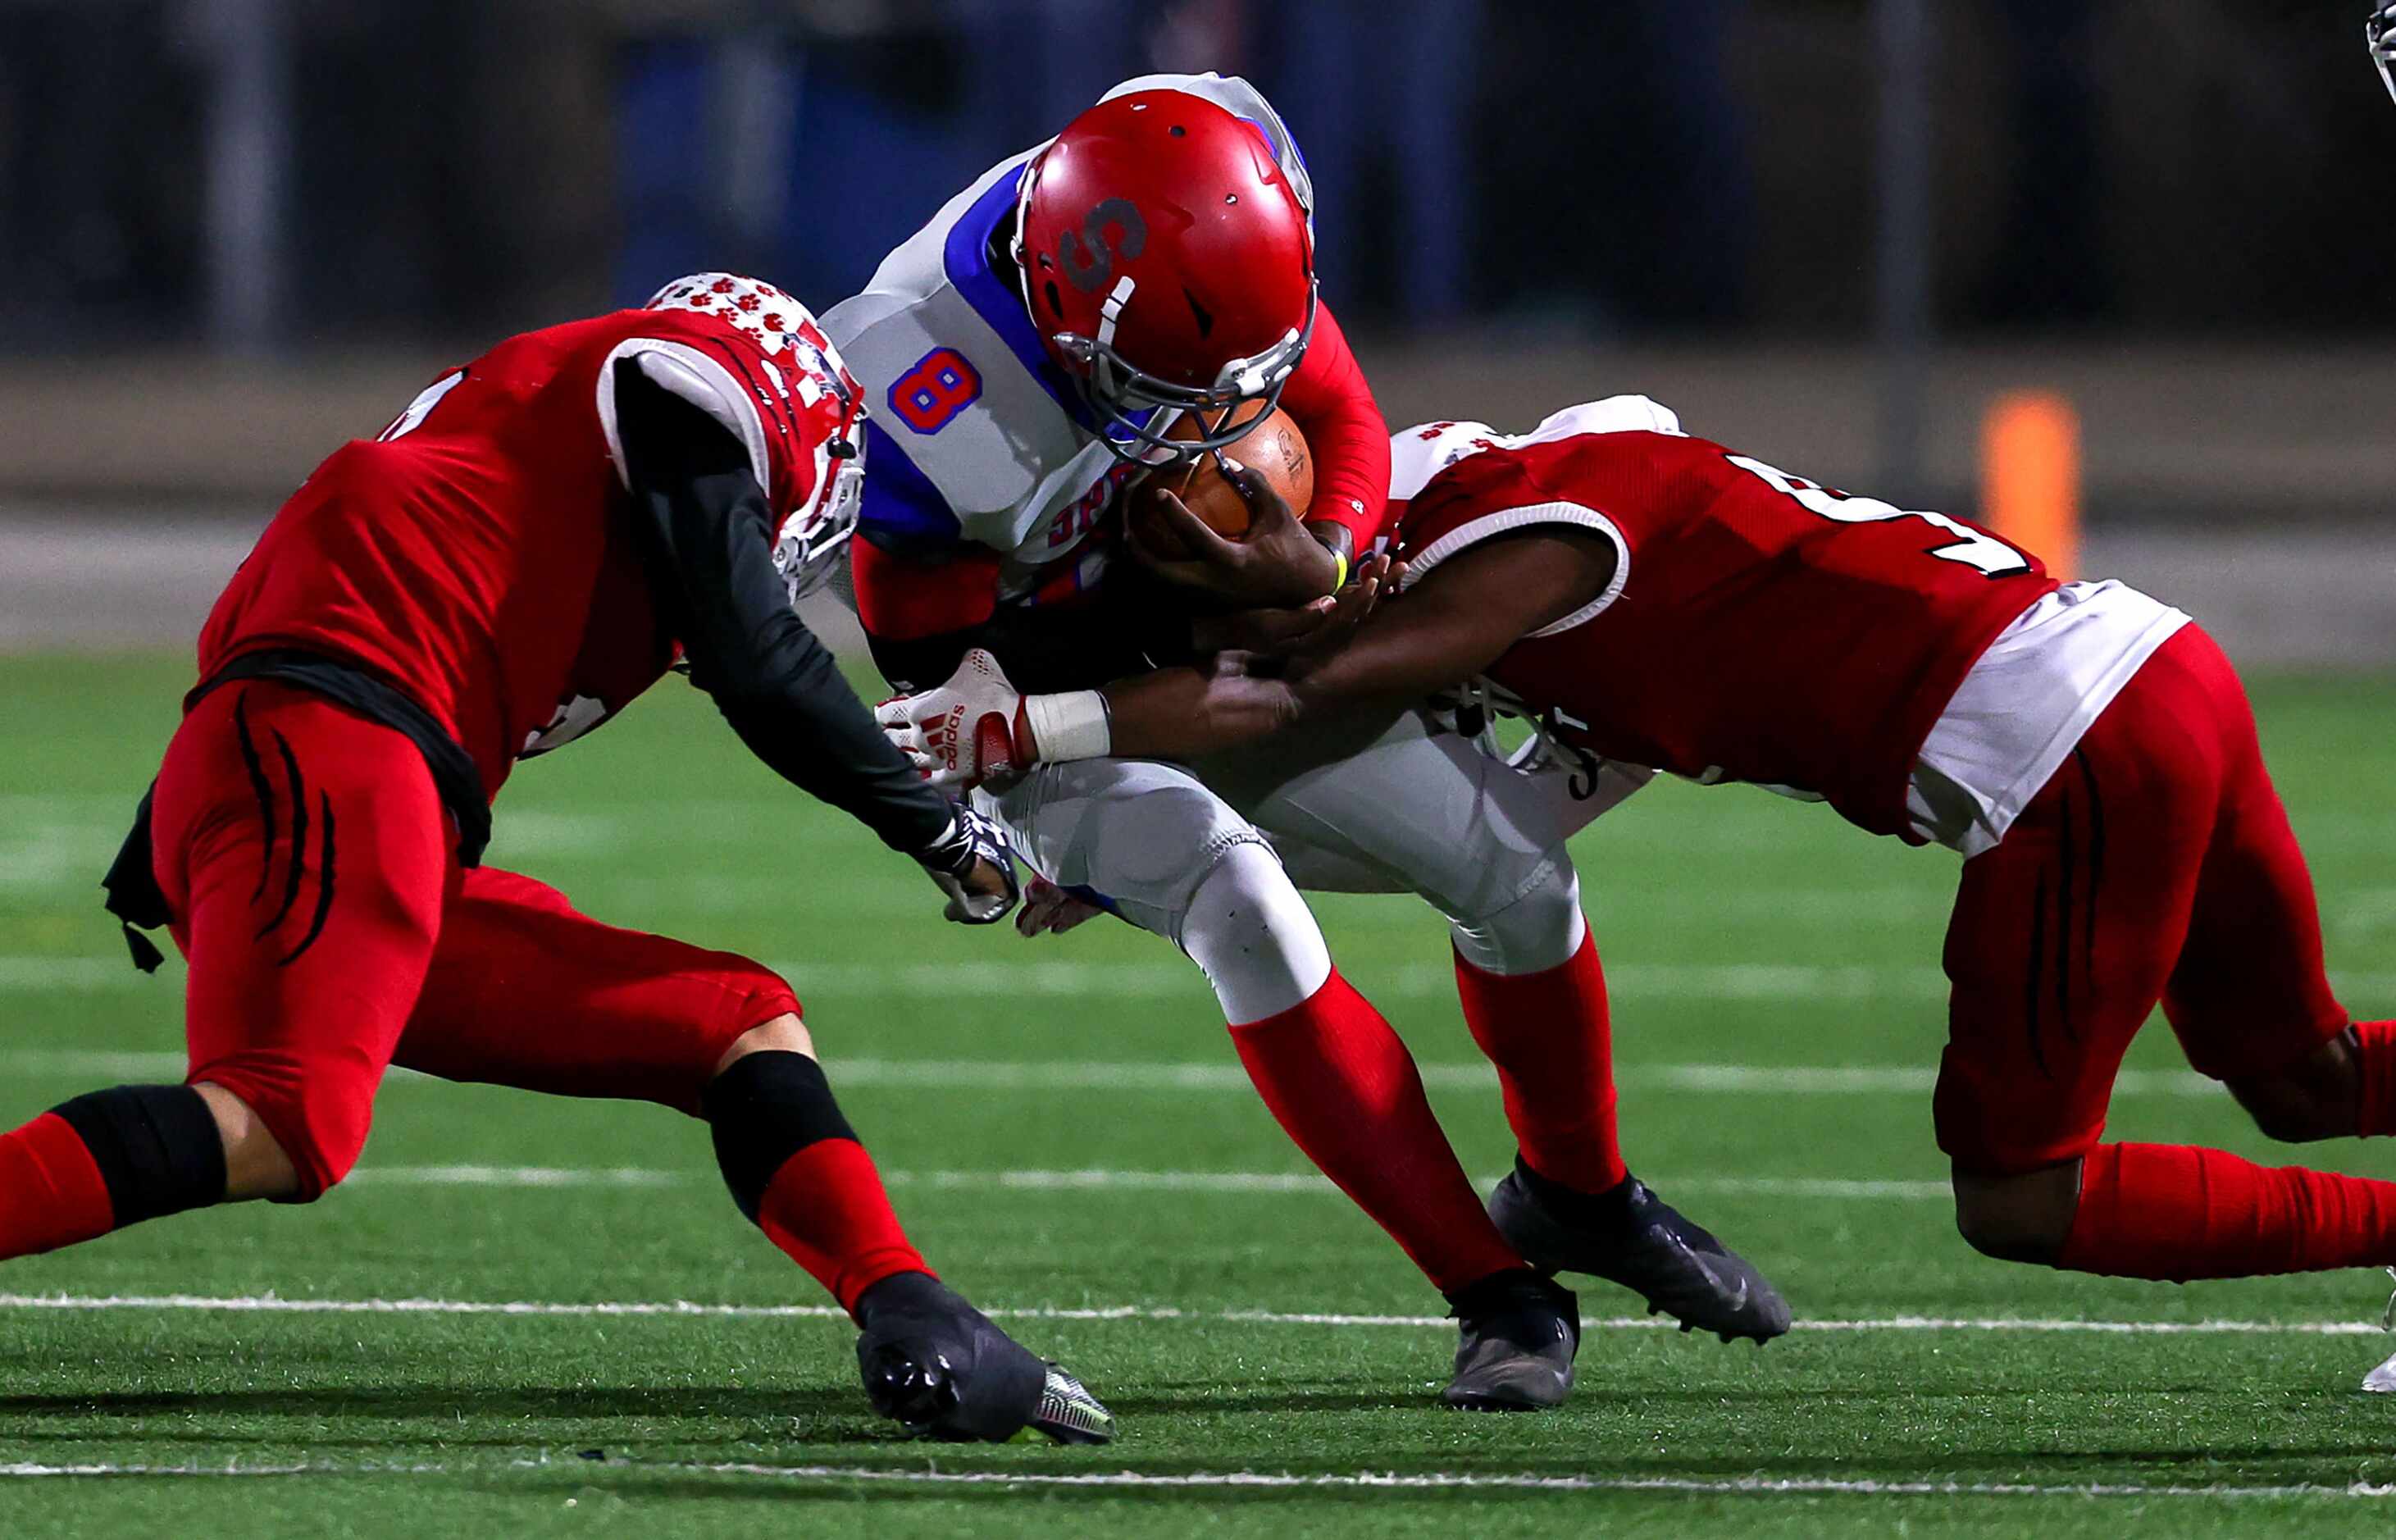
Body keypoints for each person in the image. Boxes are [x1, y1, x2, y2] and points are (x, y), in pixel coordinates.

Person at [885, 394, 2396, 1386]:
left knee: (2021, 1195)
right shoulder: (1545, 549)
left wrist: (1047, 728)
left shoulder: (1527, 529)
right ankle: (1573, 1196)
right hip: (2156, 669)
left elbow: (1315, 679)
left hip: (2069, 749)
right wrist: (1117, 841)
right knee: (2298, 1074)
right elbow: (1487, 790)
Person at [0, 274, 1111, 1445]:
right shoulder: (686, 388)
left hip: (325, 785)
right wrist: (940, 832)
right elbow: (758, 659)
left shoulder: (522, 447)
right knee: (284, 1116)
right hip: (335, 758)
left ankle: (912, 1306)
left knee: (735, 1017)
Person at [831, 76, 1785, 1409]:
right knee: (1245, 904)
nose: (1210, 421)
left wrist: (1313, 559)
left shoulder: (1210, 208)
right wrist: (1161, 650)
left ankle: (1584, 1193)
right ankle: (1496, 1295)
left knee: (1514, 867)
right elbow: (945, 687)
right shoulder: (921, 384)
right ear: (1062, 321)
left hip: (1211, 644)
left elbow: (1330, 409)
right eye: (1167, 393)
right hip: (1028, 693)